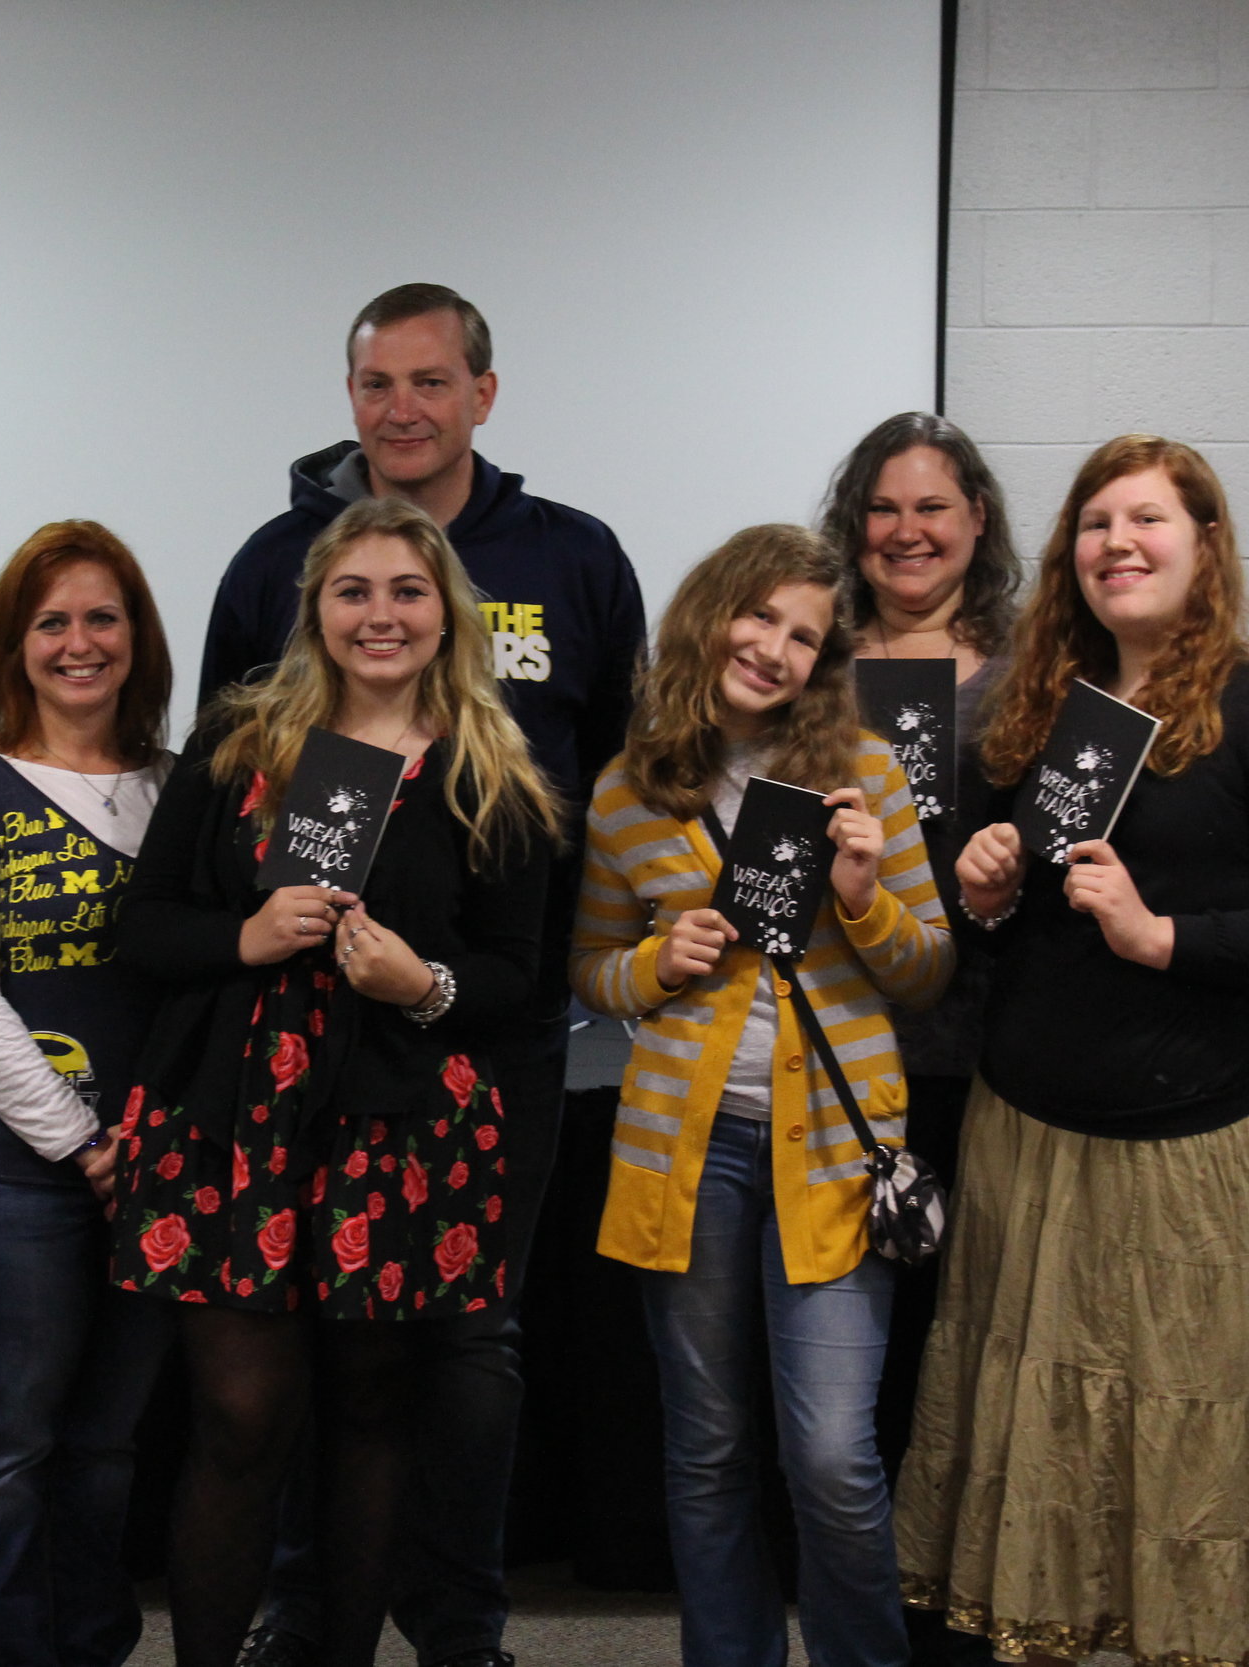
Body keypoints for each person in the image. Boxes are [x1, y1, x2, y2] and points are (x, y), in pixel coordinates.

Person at [200, 282, 645, 1667]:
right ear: (351, 400)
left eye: (430, 382)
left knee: (469, 1343)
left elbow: (624, 766)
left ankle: (462, 1623)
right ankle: (306, 1607)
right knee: (315, 1330)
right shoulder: (278, 556)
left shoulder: (575, 557)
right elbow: (224, 764)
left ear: (483, 395)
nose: (403, 408)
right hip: (305, 1035)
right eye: (377, 384)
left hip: (503, 1023)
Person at [895, 436, 1249, 1667]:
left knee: (1198, 1443)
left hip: (1189, 1158)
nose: (1119, 542)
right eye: (1098, 522)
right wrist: (986, 887)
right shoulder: (1042, 704)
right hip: (1028, 1140)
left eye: (1149, 519)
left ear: (1204, 544)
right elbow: (1006, 930)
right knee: (1032, 1437)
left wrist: (1164, 936)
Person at [113, 496, 559, 1667]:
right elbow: (143, 925)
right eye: (353, 590)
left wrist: (426, 984)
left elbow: (518, 975)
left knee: (371, 1419)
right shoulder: (239, 742)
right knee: (242, 1416)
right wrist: (245, 936)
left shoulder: (492, 773)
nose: (381, 615)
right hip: (236, 1122)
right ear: (315, 608)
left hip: (398, 1129)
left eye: (406, 591)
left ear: (446, 612)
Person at [573, 523, 952, 1667]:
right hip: (684, 1155)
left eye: (804, 635)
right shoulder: (626, 793)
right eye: (761, 617)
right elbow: (591, 971)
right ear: (712, 614)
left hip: (833, 1151)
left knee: (831, 1455)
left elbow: (928, 968)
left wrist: (862, 894)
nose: (776, 648)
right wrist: (655, 962)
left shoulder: (866, 772)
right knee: (707, 1448)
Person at [0, 521, 176, 1665]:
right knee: (4, 1446)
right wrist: (81, 1141)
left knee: (106, 1447)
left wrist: (139, 1147)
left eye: (101, 616)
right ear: (13, 648)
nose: (78, 642)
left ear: (136, 636)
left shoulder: (182, 785)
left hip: (151, 1171)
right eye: (50, 621)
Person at [818, 412, 1020, 1667]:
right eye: (885, 509)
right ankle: (867, 1604)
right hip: (838, 1058)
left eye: (932, 508)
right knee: (857, 1367)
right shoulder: (814, 664)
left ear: (977, 523)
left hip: (986, 1054)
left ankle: (960, 1606)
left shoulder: (1034, 668)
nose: (907, 532)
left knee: (970, 1344)